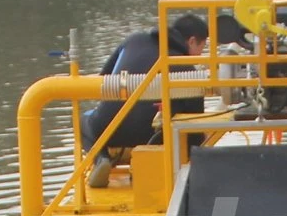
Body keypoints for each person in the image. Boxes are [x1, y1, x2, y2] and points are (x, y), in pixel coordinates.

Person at [83, 13, 209, 187]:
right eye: (202, 47)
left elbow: (101, 81)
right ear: (192, 41)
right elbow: (194, 127)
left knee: (83, 119)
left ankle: (101, 158)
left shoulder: (133, 41)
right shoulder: (188, 71)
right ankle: (147, 167)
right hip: (152, 136)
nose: (200, 55)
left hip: (106, 129)